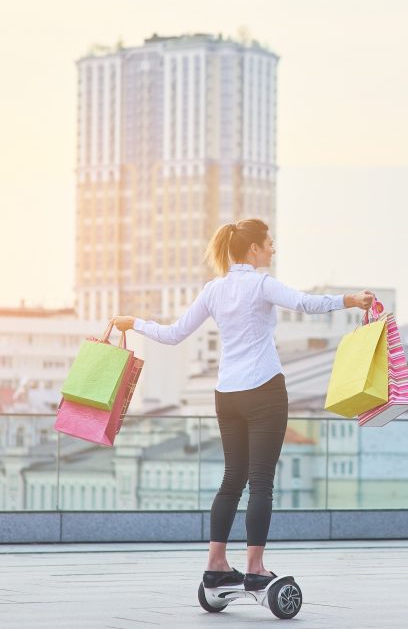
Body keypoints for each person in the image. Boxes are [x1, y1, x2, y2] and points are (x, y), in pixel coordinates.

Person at [112, 218, 373, 592]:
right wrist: (350, 300)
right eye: (269, 243)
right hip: (264, 389)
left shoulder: (213, 290)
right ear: (253, 249)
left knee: (232, 479)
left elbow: (172, 335)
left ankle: (216, 563)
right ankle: (255, 567)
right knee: (261, 483)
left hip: (226, 394)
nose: (273, 248)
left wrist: (132, 322)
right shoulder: (261, 284)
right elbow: (304, 303)